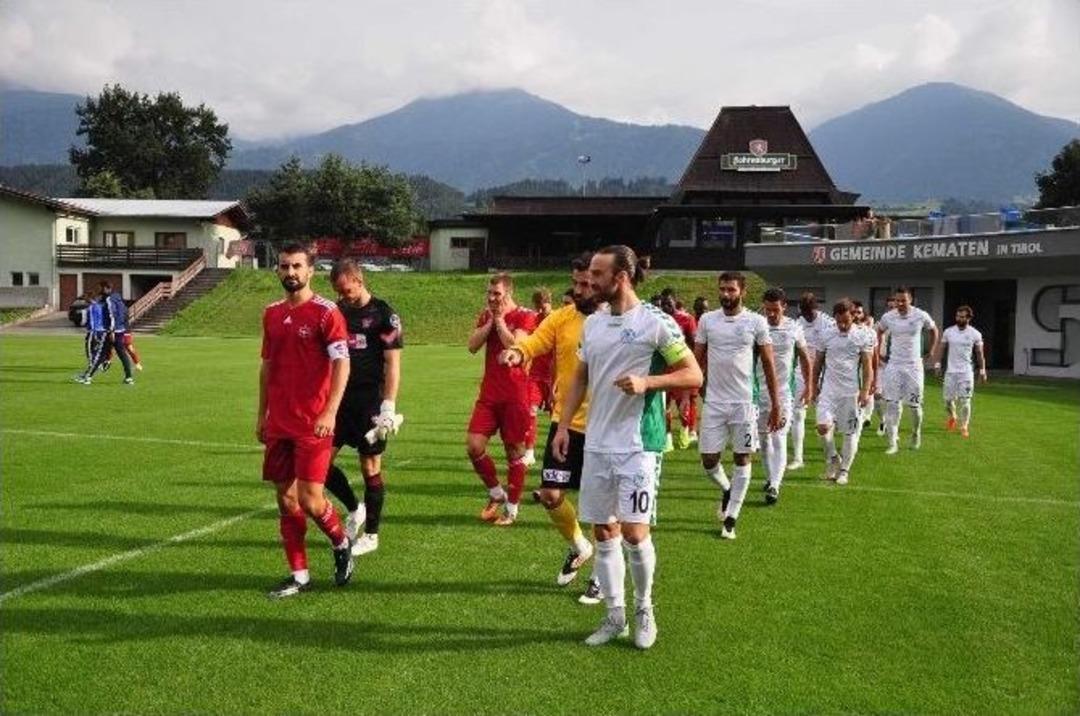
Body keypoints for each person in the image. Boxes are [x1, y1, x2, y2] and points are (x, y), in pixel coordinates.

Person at [553, 245, 702, 649]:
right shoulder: (595, 324)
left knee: (635, 533)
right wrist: (564, 426)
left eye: (598, 274)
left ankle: (644, 608)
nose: (589, 280)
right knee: (604, 530)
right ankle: (614, 615)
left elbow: (693, 374)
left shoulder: (656, 323)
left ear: (620, 278)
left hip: (639, 445)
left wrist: (648, 383)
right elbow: (580, 378)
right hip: (597, 442)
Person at [500, 253, 602, 601]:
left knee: (600, 508)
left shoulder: (614, 321)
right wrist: (517, 351)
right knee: (550, 495)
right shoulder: (561, 318)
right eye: (576, 284)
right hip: (565, 424)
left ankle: (602, 577)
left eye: (588, 284)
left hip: (604, 427)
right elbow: (534, 341)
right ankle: (579, 546)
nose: (581, 290)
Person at [258, 242, 354, 598]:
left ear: (311, 270)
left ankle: (341, 541)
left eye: (297, 266)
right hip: (279, 422)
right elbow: (266, 367)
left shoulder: (327, 313)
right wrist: (262, 414)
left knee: (312, 499)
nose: (290, 273)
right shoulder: (271, 314)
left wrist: (329, 411)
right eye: (284, 267)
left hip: (314, 422)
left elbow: (342, 363)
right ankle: (299, 575)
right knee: (285, 499)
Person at [322, 259, 403, 557]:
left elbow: (393, 363)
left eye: (348, 290)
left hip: (370, 402)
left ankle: (371, 534)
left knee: (370, 467)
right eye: (339, 292)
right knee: (320, 465)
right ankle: (355, 509)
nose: (345, 296)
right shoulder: (336, 311)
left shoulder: (385, 315)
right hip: (338, 402)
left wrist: (388, 406)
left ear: (359, 279)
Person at [694, 271, 780, 539]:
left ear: (742, 292)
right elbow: (697, 361)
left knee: (742, 457)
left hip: (744, 402)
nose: (725, 295)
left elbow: (768, 363)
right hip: (714, 402)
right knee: (708, 460)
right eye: (722, 289)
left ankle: (731, 517)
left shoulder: (756, 322)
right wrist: (691, 393)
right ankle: (727, 488)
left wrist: (776, 403)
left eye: (731, 290)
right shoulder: (707, 320)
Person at [466, 273, 538, 526]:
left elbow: (516, 345)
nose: (491, 297)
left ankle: (512, 509)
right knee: (474, 445)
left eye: (496, 293)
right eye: (489, 293)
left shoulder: (525, 315)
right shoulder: (487, 314)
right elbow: (472, 345)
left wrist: (499, 322)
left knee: (514, 451)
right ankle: (497, 493)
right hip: (489, 394)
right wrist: (491, 321)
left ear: (508, 293)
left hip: (516, 393)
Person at [757, 287, 811, 505]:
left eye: (775, 310)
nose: (771, 314)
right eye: (767, 309)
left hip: (783, 393)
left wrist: (809, 386)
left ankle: (774, 486)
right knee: (763, 440)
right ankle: (771, 477)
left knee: (779, 437)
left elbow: (805, 358)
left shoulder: (794, 328)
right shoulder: (756, 326)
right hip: (757, 392)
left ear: (784, 307)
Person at [813, 299, 874, 485]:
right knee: (823, 428)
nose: (842, 325)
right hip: (828, 391)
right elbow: (817, 363)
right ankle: (833, 459)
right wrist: (813, 386)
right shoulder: (826, 334)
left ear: (853, 316)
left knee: (849, 433)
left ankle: (845, 470)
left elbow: (867, 367)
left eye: (845, 321)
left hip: (850, 393)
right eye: (839, 321)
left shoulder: (863, 335)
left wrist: (864, 391)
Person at [876, 286, 940, 454]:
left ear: (910, 300)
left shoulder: (920, 315)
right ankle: (892, 443)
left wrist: (931, 351)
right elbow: (879, 331)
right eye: (897, 300)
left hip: (914, 366)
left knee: (915, 407)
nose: (900, 303)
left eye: (903, 300)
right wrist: (878, 353)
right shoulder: (888, 317)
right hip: (894, 365)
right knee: (892, 405)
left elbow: (934, 330)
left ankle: (915, 432)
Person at [790, 293, 834, 470]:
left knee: (823, 419)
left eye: (810, 313)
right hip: (801, 373)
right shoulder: (797, 324)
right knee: (798, 414)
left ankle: (831, 455)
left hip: (824, 374)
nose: (807, 316)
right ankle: (798, 458)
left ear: (816, 308)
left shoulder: (827, 322)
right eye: (804, 313)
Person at [932, 305, 987, 438]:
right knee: (947, 402)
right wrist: (937, 364)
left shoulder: (975, 334)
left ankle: (964, 426)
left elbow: (980, 354)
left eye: (962, 317)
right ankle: (953, 417)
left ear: (968, 318)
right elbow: (942, 348)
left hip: (966, 373)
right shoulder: (948, 332)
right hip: (951, 372)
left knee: (965, 400)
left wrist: (982, 371)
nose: (959, 319)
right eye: (958, 316)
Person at [76, 281, 135, 385]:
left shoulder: (109, 299)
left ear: (106, 288)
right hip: (120, 330)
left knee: (100, 354)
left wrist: (112, 330)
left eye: (100, 288)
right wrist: (122, 327)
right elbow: (125, 313)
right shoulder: (118, 298)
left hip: (111, 332)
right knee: (122, 355)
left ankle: (88, 377)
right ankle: (129, 378)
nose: (99, 290)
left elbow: (112, 315)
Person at [660, 293, 699, 449]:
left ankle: (685, 433)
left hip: (680, 370)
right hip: (663, 371)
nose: (666, 307)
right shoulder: (657, 320)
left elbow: (694, 343)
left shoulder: (686, 319)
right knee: (664, 406)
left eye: (669, 303)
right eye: (663, 304)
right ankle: (667, 439)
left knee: (684, 404)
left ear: (675, 303)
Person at [523, 287, 554, 466]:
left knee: (557, 418)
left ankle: (560, 455)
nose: (541, 310)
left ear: (550, 302)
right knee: (530, 412)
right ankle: (529, 452)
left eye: (544, 306)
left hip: (554, 377)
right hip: (535, 375)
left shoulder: (558, 320)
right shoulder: (533, 320)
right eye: (538, 306)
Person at [851, 300, 878, 430]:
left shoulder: (870, 333)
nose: (856, 315)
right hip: (846, 377)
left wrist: (875, 379)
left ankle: (866, 417)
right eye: (854, 312)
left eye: (859, 312)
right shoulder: (841, 330)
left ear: (863, 315)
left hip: (864, 373)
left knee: (865, 400)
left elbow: (875, 358)